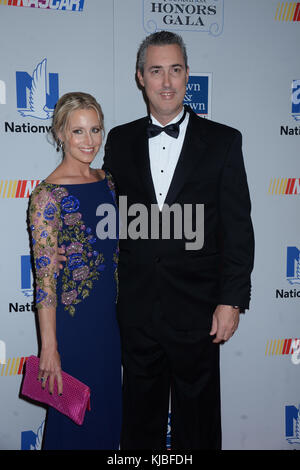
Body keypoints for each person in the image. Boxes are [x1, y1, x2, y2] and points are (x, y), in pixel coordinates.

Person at [102, 31, 255, 450]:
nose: (166, 82)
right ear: (140, 78)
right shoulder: (119, 140)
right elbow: (111, 221)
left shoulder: (224, 141)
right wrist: (68, 246)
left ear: (188, 76)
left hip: (200, 310)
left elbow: (238, 229)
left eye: (175, 70)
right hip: (136, 311)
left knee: (199, 426)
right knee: (139, 424)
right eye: (156, 71)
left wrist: (232, 300)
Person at [28, 92, 122, 450]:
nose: (89, 141)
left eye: (95, 130)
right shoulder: (46, 197)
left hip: (110, 323)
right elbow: (45, 282)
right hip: (74, 325)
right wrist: (49, 348)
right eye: (78, 131)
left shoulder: (108, 181)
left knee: (107, 414)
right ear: (61, 134)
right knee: (73, 419)